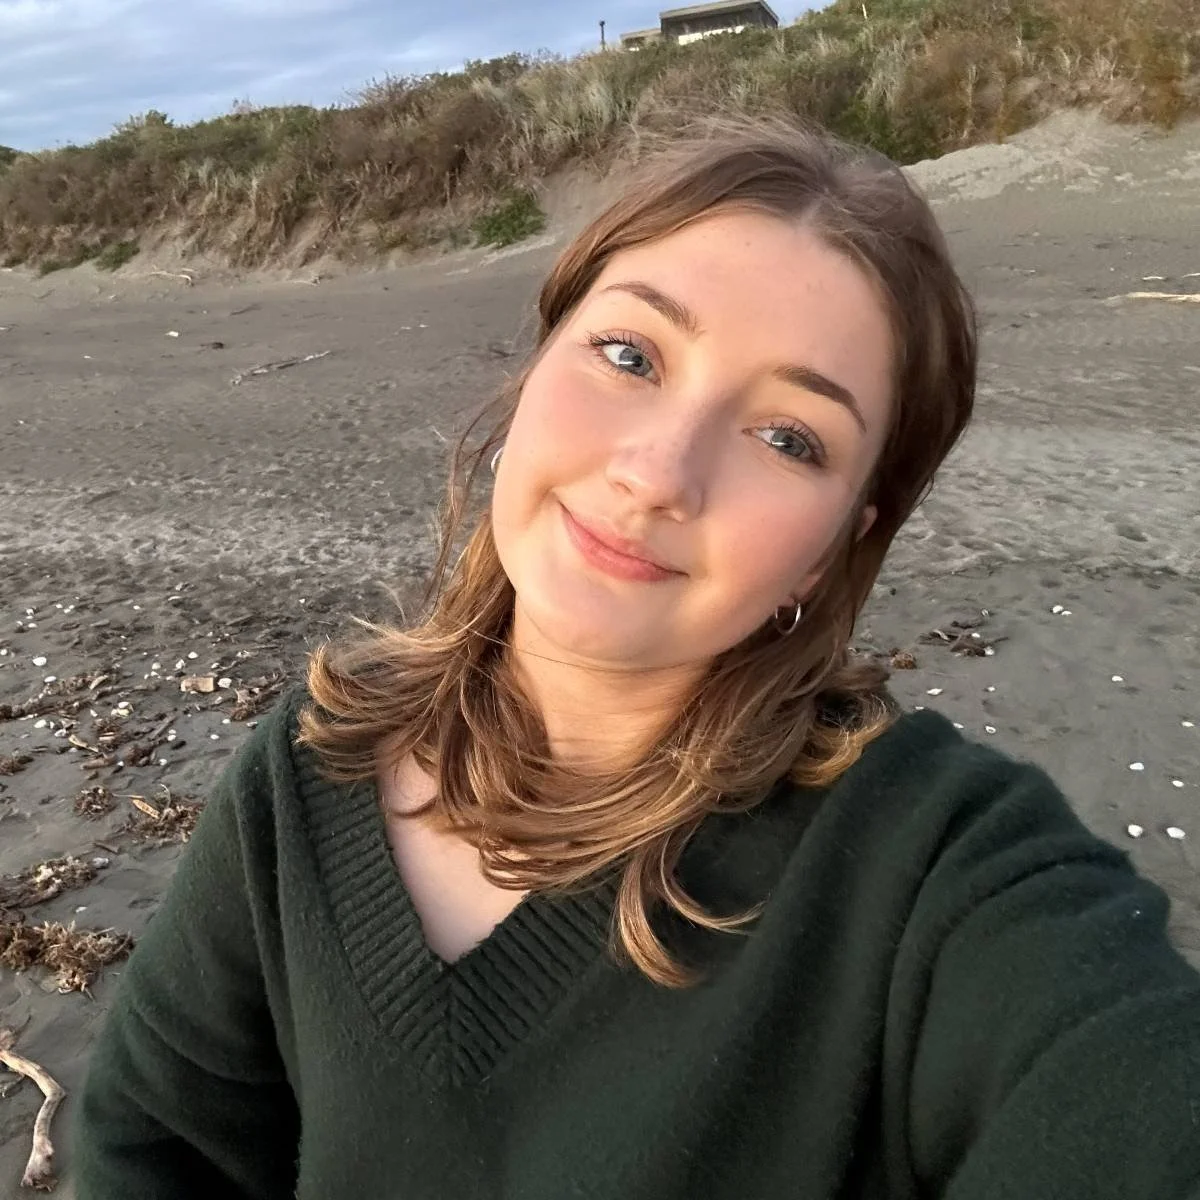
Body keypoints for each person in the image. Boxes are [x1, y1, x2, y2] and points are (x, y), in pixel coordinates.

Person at [72, 116, 1200, 1199]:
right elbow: (152, 1147)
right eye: (629, 353)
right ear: (537, 365)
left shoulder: (931, 873)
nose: (659, 473)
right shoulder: (305, 777)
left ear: (832, 551)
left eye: (788, 438)